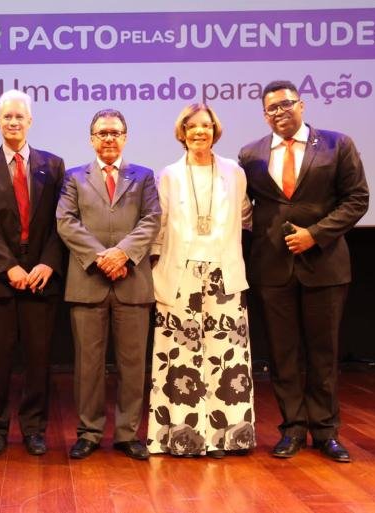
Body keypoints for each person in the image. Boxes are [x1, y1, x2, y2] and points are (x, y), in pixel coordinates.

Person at [238, 80, 369, 463]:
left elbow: (357, 199)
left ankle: (326, 432)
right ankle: (293, 428)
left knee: (323, 353)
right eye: (272, 109)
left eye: (286, 104)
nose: (279, 112)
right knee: (283, 354)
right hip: (271, 267)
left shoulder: (336, 145)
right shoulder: (250, 154)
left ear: (302, 105)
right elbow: (244, 208)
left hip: (324, 265)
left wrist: (316, 235)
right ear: (265, 115)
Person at [147, 104, 255, 458]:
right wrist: (155, 268)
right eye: (192, 126)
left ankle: (227, 436)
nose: (199, 132)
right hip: (180, 275)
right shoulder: (168, 175)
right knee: (180, 360)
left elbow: (245, 216)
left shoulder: (234, 172)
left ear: (215, 130)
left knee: (227, 358)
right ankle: (183, 436)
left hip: (225, 273)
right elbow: (158, 228)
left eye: (206, 126)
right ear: (182, 132)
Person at [56, 109, 159, 460]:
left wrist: (123, 254)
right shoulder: (74, 177)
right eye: (102, 133)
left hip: (132, 280)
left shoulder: (144, 176)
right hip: (89, 281)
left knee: (133, 365)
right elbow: (66, 222)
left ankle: (128, 434)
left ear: (125, 137)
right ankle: (89, 432)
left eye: (115, 132)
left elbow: (152, 219)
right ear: (91, 139)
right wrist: (102, 258)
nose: (109, 138)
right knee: (88, 366)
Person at [0, 90, 66, 456]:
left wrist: (47, 263)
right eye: (7, 116)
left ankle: (34, 428)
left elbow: (61, 222)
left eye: (19, 116)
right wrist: (8, 267)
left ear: (30, 121)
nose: (13, 122)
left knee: (38, 360)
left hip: (41, 277)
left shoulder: (53, 165)